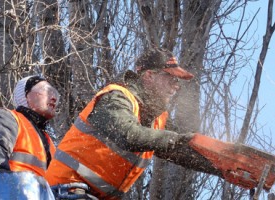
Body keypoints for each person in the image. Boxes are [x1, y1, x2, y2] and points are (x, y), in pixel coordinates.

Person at [45, 48, 225, 199]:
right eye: (171, 78)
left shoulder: (156, 119)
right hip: (66, 190)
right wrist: (181, 139)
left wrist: (225, 166)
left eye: (177, 81)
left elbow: (181, 150)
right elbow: (129, 135)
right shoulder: (115, 98)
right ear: (149, 76)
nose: (175, 86)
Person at [0, 75, 60, 178]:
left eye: (54, 92)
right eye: (45, 90)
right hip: (5, 191)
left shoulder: (48, 141)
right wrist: (2, 179)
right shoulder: (6, 118)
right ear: (25, 96)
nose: (53, 98)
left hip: (37, 193)